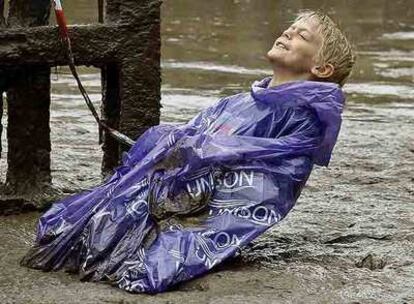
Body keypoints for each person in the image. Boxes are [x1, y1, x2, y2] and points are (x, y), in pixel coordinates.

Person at [21, 10, 355, 293]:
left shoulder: (305, 117)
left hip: (226, 195)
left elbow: (276, 170)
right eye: (289, 28)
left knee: (146, 260)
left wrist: (207, 152)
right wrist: (173, 142)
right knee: (71, 227)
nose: (287, 33)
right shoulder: (239, 102)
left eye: (301, 37)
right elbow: (195, 133)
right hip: (190, 183)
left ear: (321, 69)